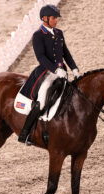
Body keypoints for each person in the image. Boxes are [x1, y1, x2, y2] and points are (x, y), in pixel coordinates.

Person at [18, 4, 81, 144]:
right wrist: (55, 69)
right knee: (42, 100)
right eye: (53, 18)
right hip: (46, 72)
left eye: (56, 18)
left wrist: (74, 69)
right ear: (45, 19)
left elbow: (66, 53)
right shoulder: (38, 35)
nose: (56, 20)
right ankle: (26, 133)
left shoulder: (59, 33)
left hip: (61, 72)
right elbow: (41, 57)